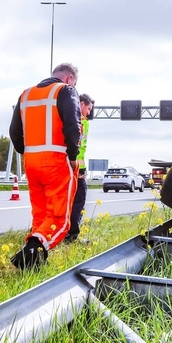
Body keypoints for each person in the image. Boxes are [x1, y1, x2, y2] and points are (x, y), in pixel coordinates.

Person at [8, 63, 81, 269]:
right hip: (56, 160)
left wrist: (27, 152)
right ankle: (33, 250)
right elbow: (73, 125)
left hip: (31, 162)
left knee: (40, 214)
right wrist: (73, 154)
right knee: (59, 218)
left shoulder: (26, 94)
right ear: (70, 79)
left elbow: (14, 131)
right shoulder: (66, 91)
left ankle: (36, 261)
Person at [66, 93, 94, 242]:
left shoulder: (65, 116)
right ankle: (72, 235)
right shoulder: (81, 122)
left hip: (64, 165)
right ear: (82, 104)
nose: (88, 113)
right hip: (76, 166)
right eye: (88, 109)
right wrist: (80, 169)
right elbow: (79, 147)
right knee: (78, 200)